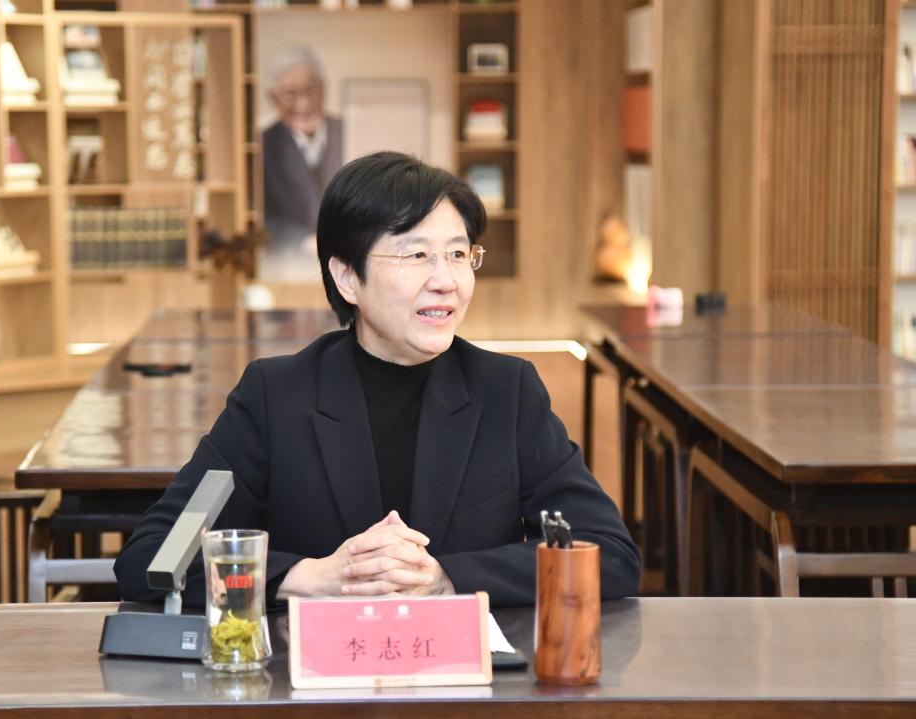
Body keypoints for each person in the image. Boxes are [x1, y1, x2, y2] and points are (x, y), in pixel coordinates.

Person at [114, 152, 640, 607]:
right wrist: (311, 578)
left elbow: (609, 554)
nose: (446, 280)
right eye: (417, 255)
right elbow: (152, 556)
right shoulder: (277, 396)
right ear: (348, 277)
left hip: (465, 678)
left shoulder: (506, 390)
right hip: (314, 678)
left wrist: (447, 577)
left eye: (458, 254)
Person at [260, 46, 343, 280]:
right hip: (288, 268)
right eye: (290, 94)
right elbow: (260, 217)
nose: (303, 103)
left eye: (310, 90)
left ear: (324, 88)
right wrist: (302, 242)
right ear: (273, 98)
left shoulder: (348, 131)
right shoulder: (262, 146)